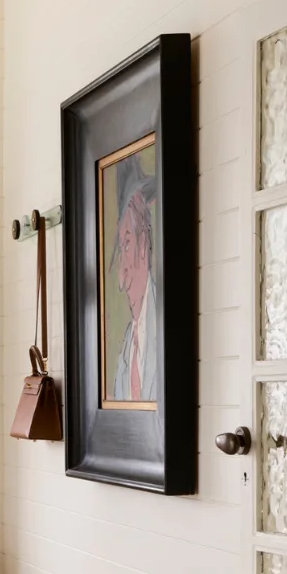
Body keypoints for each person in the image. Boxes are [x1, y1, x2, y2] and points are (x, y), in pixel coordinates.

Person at [111, 159, 157, 402]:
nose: (122, 274)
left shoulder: (163, 325)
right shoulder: (128, 347)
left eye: (127, 244)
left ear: (143, 244)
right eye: (121, 249)